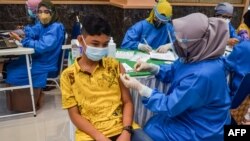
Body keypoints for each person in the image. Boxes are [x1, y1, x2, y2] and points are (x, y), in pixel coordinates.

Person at [120, 13, 231, 141]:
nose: (175, 44)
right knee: (153, 123)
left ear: (198, 42)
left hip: (202, 128)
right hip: (193, 115)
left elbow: (169, 106)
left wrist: (141, 88)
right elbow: (176, 69)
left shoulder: (202, 74)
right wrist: (153, 68)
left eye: (181, 41)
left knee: (151, 130)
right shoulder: (199, 56)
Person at [60, 14, 152, 141]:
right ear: (81, 40)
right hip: (90, 133)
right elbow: (75, 115)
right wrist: (99, 137)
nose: (101, 49)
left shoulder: (115, 66)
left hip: (122, 126)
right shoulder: (68, 76)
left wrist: (126, 132)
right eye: (95, 44)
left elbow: (128, 102)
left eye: (105, 44)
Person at [6, 0, 65, 110]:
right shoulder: (43, 25)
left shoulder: (56, 27)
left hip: (46, 63)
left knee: (15, 72)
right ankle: (19, 100)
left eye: (46, 11)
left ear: (53, 13)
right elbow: (33, 31)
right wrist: (21, 33)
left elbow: (42, 46)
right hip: (38, 58)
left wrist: (23, 40)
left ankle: (27, 103)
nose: (43, 14)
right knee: (11, 66)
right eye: (40, 11)